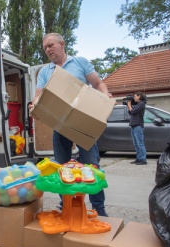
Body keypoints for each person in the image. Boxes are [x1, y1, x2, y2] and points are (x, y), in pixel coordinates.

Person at [29, 33, 113, 217]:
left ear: (62, 44)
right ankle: (65, 204)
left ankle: (99, 207)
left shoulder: (80, 62)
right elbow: (38, 95)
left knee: (91, 166)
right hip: (60, 125)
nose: (48, 50)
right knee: (61, 166)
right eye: (45, 48)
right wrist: (34, 104)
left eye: (51, 45)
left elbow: (98, 83)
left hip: (83, 123)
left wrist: (105, 96)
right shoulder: (45, 71)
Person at [127, 92, 147, 165]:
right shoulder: (137, 104)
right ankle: (139, 158)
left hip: (138, 126)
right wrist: (128, 105)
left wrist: (129, 104)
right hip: (134, 126)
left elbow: (133, 111)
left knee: (140, 143)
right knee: (136, 144)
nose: (134, 97)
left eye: (135, 96)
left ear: (139, 96)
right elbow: (130, 112)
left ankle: (143, 159)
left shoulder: (141, 104)